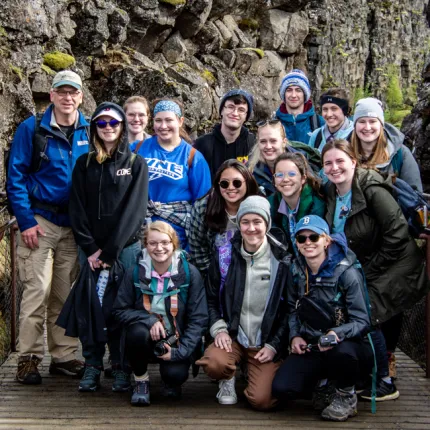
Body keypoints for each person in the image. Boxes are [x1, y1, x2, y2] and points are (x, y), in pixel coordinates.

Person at [321, 139, 429, 401]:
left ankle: (384, 381)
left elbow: (397, 235)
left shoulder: (371, 187)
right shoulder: (331, 191)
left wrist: (364, 273)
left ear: (353, 162)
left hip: (397, 263)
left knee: (369, 313)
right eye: (328, 163)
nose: (335, 168)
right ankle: (365, 374)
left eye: (340, 161)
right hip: (367, 264)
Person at [7, 70, 89, 384]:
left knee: (64, 294)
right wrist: (25, 221)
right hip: (39, 221)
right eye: (61, 92)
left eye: (73, 92)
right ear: (51, 95)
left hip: (72, 225)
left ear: (81, 96)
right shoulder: (32, 129)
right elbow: (15, 178)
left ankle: (64, 356)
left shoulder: (90, 128)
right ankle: (28, 358)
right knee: (35, 291)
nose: (68, 98)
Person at [68, 102, 148, 392]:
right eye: (101, 124)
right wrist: (90, 248)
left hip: (123, 249)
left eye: (113, 123)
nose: (108, 128)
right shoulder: (84, 164)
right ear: (94, 129)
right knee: (91, 305)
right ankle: (92, 363)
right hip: (90, 250)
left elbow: (135, 211)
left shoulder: (136, 164)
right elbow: (76, 209)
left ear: (122, 127)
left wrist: (111, 252)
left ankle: (121, 364)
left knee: (120, 306)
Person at [272, 215, 372, 422]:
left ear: (327, 240)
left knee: (343, 354)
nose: (308, 242)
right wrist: (295, 336)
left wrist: (337, 333)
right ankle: (324, 386)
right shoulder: (296, 270)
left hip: (345, 344)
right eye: (301, 239)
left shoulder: (347, 273)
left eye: (314, 237)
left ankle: (345, 394)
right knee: (282, 388)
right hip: (312, 343)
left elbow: (362, 321)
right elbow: (292, 309)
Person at [196, 196, 290, 411]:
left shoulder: (282, 260)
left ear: (267, 224)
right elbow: (210, 298)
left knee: (262, 401)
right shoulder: (224, 255)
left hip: (264, 341)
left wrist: (275, 344)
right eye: (245, 222)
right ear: (238, 224)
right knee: (214, 364)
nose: (251, 228)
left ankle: (254, 372)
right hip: (233, 335)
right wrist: (218, 329)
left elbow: (289, 310)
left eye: (257, 222)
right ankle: (227, 377)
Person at [113, 221, 208, 406]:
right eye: (153, 243)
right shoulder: (134, 272)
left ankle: (170, 378)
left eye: (165, 242)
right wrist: (148, 319)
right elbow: (119, 310)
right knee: (137, 332)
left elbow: (199, 318)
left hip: (177, 338)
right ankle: (141, 381)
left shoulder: (189, 273)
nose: (159, 248)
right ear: (145, 245)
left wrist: (181, 352)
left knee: (175, 375)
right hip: (145, 336)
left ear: (174, 243)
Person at [131, 98, 211, 249]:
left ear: (180, 121)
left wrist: (192, 246)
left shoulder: (193, 157)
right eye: (158, 120)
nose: (163, 126)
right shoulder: (137, 148)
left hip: (176, 234)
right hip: (140, 230)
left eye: (169, 120)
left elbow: (202, 204)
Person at [188, 159, 260, 275]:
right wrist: (214, 276)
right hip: (215, 273)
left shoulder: (259, 204)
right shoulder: (203, 207)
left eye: (237, 183)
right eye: (224, 183)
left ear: (247, 182)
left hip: (252, 271)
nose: (231, 188)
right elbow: (198, 249)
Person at [350, 97, 422, 191]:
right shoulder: (343, 152)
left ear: (381, 125)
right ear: (355, 125)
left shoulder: (400, 154)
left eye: (372, 121)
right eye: (362, 121)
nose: (367, 127)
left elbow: (414, 194)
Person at [268, 152, 325, 257]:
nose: (285, 179)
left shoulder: (316, 206)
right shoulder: (270, 205)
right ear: (274, 180)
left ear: (303, 178)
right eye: (279, 175)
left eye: (292, 174)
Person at [248, 120, 322, 197]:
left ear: (284, 142)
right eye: (263, 141)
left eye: (273, 141)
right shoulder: (252, 170)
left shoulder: (301, 164)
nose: (268, 146)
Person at [194, 89, 255, 179]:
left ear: (246, 116)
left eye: (241, 110)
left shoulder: (253, 145)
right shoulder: (201, 144)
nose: (235, 113)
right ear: (222, 110)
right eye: (231, 107)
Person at [275, 69, 324, 145]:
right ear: (283, 94)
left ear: (305, 94)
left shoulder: (320, 124)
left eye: (298, 90)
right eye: (289, 90)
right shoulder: (274, 124)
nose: (293, 95)